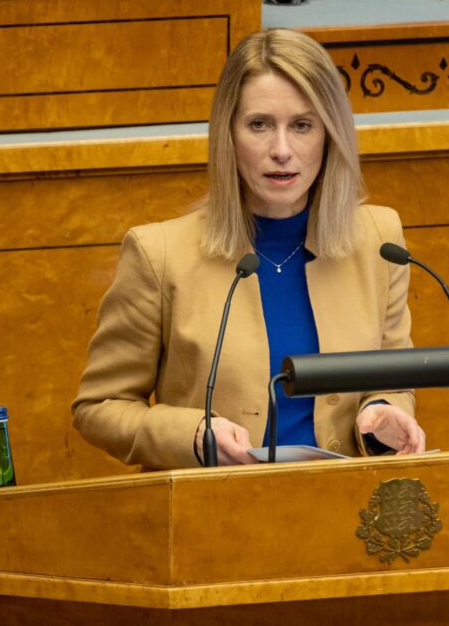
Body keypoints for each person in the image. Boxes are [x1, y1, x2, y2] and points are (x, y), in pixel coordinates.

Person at [72, 28, 425, 471]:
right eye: (259, 125)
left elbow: (395, 379)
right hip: (215, 515)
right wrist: (193, 436)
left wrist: (386, 413)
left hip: (344, 507)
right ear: (229, 134)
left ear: (329, 134)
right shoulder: (159, 254)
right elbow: (99, 407)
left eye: (302, 125)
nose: (281, 150)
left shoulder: (379, 240)